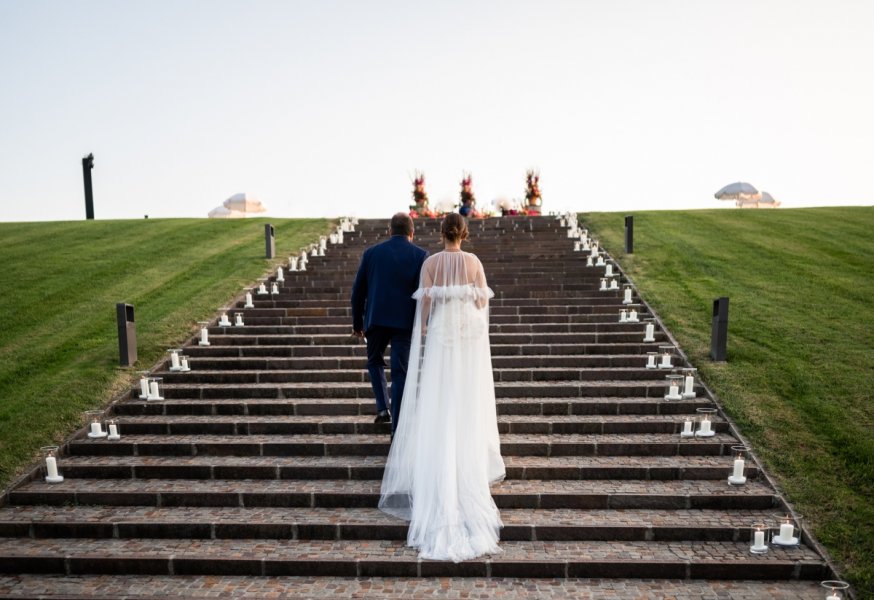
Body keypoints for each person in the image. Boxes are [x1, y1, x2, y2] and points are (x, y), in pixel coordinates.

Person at [379, 213, 505, 562]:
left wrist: (423, 334)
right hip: (466, 338)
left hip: (441, 338)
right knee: (464, 401)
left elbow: (425, 308)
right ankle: (466, 462)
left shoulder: (431, 262)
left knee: (439, 400)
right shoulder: (475, 262)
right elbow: (482, 303)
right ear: (464, 234)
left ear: (441, 233)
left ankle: (439, 468)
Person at [351, 213, 428, 432]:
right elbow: (421, 294)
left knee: (374, 361)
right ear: (411, 233)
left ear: (389, 231)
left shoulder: (371, 253)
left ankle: (383, 407)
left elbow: (358, 292)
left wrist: (358, 323)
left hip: (376, 319)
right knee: (400, 372)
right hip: (404, 322)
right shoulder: (420, 255)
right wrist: (421, 323)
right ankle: (398, 424)